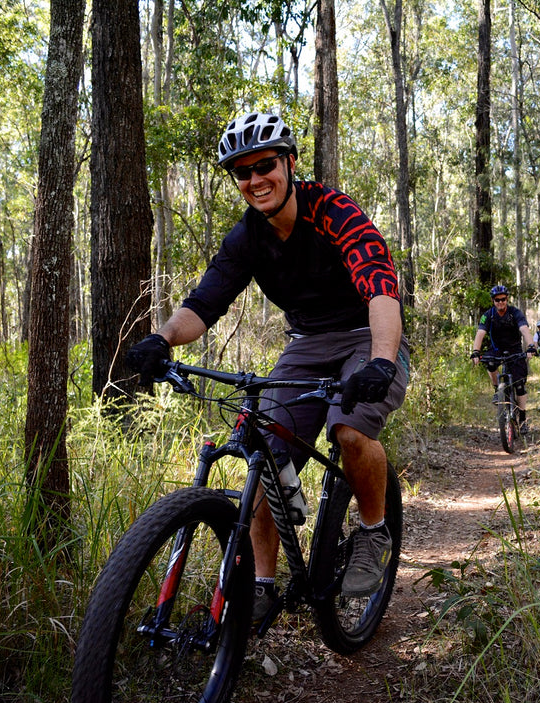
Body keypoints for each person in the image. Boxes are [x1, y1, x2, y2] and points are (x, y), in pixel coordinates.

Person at [126, 112, 410, 622]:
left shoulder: (334, 211)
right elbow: (204, 302)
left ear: (290, 163)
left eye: (265, 165)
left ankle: (373, 532)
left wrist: (383, 361)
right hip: (306, 343)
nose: (255, 179)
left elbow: (380, 287)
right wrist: (162, 338)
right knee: (265, 451)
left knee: (348, 431)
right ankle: (262, 585)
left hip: (367, 334)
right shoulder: (248, 237)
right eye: (242, 171)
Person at [470, 285, 535, 428]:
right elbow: (480, 333)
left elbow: (524, 329)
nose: (501, 302)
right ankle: (497, 389)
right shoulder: (488, 315)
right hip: (496, 349)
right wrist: (476, 351)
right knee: (490, 363)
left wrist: (530, 346)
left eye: (503, 299)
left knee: (519, 385)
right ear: (493, 301)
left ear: (507, 299)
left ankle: (523, 418)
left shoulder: (515, 313)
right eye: (497, 300)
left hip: (515, 349)